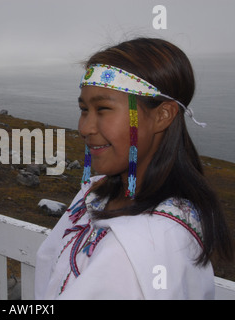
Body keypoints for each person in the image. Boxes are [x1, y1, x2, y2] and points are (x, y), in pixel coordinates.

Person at [34, 37, 233, 299]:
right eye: (84, 109)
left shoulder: (148, 242)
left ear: (162, 115)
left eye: (103, 109)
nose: (84, 128)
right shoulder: (96, 192)